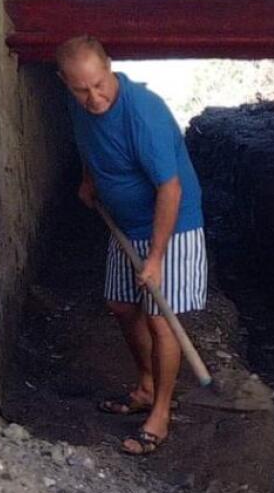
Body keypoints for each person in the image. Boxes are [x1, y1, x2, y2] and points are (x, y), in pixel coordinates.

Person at [57, 36, 207, 456]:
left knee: (161, 320)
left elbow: (170, 189)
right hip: (125, 224)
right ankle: (146, 386)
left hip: (172, 226)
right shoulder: (78, 104)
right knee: (122, 306)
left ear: (110, 67)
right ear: (66, 83)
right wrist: (89, 179)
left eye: (99, 85)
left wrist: (156, 257)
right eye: (81, 90)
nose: (94, 97)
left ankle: (160, 414)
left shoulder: (143, 113)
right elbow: (89, 142)